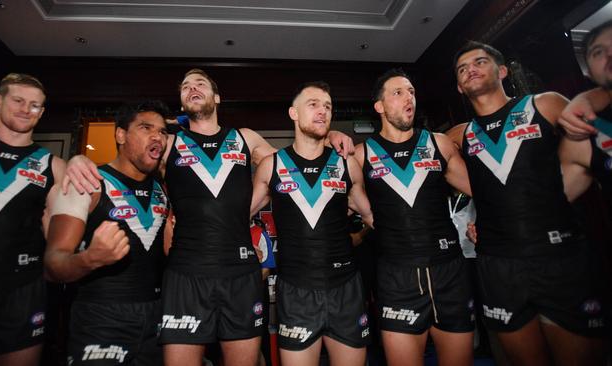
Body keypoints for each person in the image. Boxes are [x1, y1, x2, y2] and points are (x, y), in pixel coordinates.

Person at [62, 69, 355, 366]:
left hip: (241, 274)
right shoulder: (169, 144)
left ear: (216, 97)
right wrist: (79, 160)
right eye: (185, 86)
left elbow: (295, 164)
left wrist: (327, 133)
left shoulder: (245, 138)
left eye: (200, 83)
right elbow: (129, 158)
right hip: (185, 275)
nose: (192, 88)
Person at [447, 41, 608, 366]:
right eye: (462, 69)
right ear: (460, 88)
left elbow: (589, 131)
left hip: (558, 259)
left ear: (503, 70)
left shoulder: (542, 105)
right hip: (499, 267)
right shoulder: (460, 135)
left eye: (479, 61)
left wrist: (592, 96)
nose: (470, 70)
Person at [353, 69, 474, 366]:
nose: (409, 98)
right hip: (397, 279)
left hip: (449, 271)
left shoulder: (438, 144)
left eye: (411, 92)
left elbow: (484, 190)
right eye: (398, 92)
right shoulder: (360, 154)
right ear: (379, 106)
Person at [250, 81, 373, 366]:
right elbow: (237, 216)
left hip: (346, 287)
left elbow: (371, 215)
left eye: (328, 106)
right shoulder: (272, 165)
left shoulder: (346, 164)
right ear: (293, 113)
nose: (322, 111)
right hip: (296, 291)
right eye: (313, 104)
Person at [44, 101, 170, 365]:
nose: (157, 136)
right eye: (146, 128)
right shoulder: (87, 183)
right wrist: (90, 258)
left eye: (162, 131)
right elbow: (53, 266)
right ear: (120, 135)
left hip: (157, 318)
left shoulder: (163, 190)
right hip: (100, 318)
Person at [0, 73, 65, 366]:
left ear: (42, 112)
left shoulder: (54, 166)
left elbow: (58, 237)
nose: (25, 109)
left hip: (22, 291)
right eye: (18, 100)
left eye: (35, 105)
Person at [558, 20, 612, 201]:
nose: (610, 54)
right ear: (588, 72)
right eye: (598, 52)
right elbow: (549, 205)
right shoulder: (584, 136)